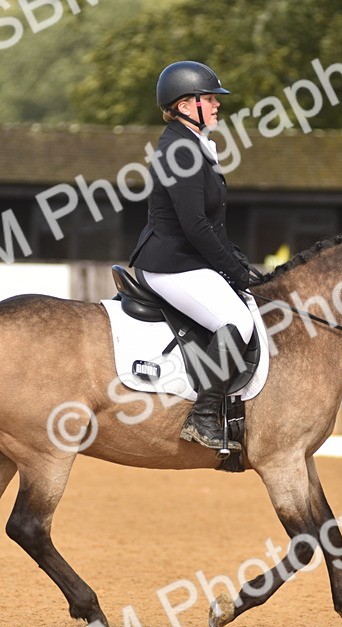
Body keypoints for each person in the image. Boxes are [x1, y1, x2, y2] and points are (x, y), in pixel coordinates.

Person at [129, 61, 263, 451]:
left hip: (185, 260)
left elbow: (210, 222)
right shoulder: (181, 150)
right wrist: (235, 270)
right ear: (186, 106)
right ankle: (203, 417)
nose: (218, 105)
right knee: (237, 320)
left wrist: (237, 261)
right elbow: (195, 226)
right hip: (171, 264)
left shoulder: (191, 144)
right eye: (210, 99)